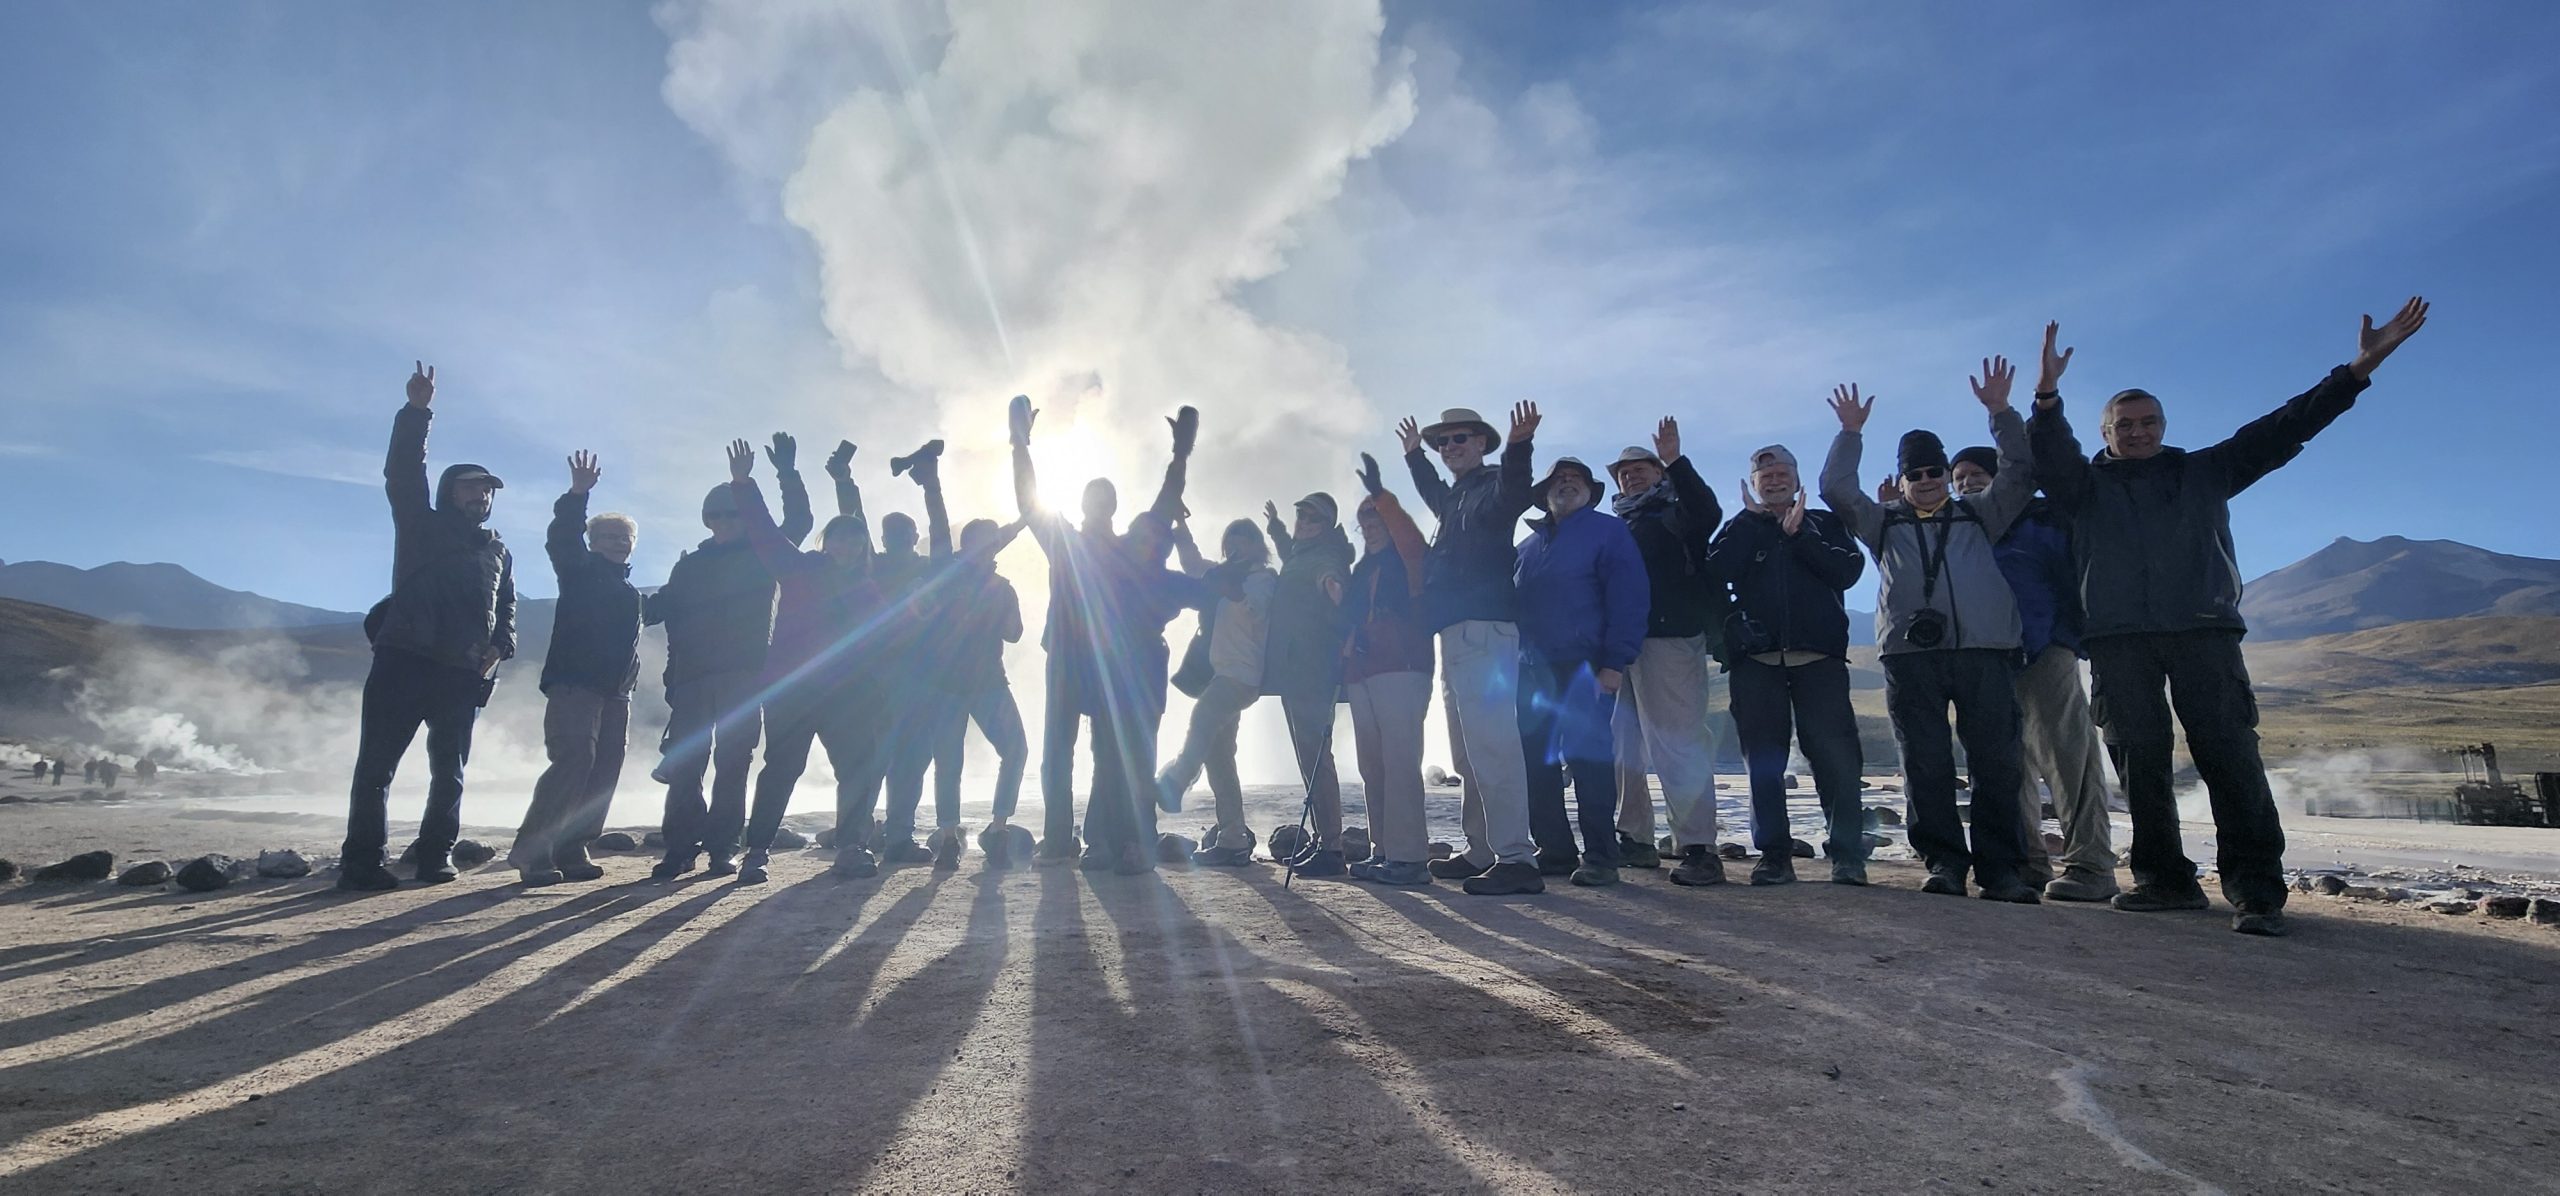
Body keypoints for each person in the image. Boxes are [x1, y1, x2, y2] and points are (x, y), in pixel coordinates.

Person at [2029, 301, 2430, 936]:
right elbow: (2049, 455)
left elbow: (2286, 426)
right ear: (2105, 431)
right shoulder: (2083, 488)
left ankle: (2257, 893)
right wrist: (2047, 395)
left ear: (2164, 425)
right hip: (2118, 640)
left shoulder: (2206, 471)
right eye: (2124, 423)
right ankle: (2163, 882)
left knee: (2230, 757)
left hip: (2204, 633)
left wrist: (2359, 367)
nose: (2138, 431)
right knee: (2141, 762)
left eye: (2148, 421)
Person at [1822, 360, 2041, 903]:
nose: (1926, 482)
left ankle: (2001, 871)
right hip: (1910, 658)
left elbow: (2020, 470)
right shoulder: (1883, 524)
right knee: (1925, 762)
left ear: (1946, 474)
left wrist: (2001, 412)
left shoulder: (1981, 514)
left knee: (1996, 762)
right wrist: (1851, 433)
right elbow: (1836, 488)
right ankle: (1943, 863)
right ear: (1901, 482)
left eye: (1933, 472)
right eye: (1915, 475)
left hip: (1986, 651)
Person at [340, 361, 516, 892]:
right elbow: (402, 473)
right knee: (376, 769)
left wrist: (501, 646)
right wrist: (417, 413)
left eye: (487, 491)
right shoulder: (421, 524)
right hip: (404, 658)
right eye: (470, 488)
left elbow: (506, 606)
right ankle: (361, 864)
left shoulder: (498, 550)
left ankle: (436, 855)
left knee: (450, 774)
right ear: (449, 491)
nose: (480, 497)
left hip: (461, 673)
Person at [1012, 394, 1197, 869]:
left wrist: (1181, 454)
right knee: (1057, 755)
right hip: (1067, 660)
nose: (1099, 506)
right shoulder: (1063, 540)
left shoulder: (1125, 550)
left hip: (1107, 664)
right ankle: (1058, 842)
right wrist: (1019, 445)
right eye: (1093, 499)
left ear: (1113, 506)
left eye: (1106, 500)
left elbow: (1163, 505)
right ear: (1082, 504)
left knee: (1107, 755)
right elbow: (1029, 502)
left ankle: (1101, 840)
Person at [1947, 442, 2119, 902]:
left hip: (2045, 649)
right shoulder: (1962, 528)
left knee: (2068, 757)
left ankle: (2091, 865)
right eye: (1958, 478)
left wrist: (2066, 637)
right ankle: (2028, 863)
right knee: (2008, 766)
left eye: (1975, 473)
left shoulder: (2042, 518)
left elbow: (2074, 576)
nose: (1966, 482)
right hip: (1987, 658)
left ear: (1999, 474)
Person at [645, 434, 812, 880]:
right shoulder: (689, 566)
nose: (722, 521)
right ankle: (680, 850)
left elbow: (799, 519)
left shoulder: (764, 556)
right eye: (714, 514)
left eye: (731, 513)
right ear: (705, 519)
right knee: (686, 768)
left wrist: (780, 474)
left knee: (733, 765)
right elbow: (658, 609)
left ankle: (722, 849)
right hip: (692, 678)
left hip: (744, 676)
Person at [726, 439, 891, 885]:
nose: (849, 545)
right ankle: (757, 852)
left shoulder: (868, 589)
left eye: (857, 539)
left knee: (858, 767)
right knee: (782, 767)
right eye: (840, 537)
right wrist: (744, 484)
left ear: (863, 547)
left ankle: (852, 847)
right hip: (794, 690)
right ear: (828, 541)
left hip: (850, 695)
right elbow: (764, 532)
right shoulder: (798, 568)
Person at [1702, 444, 1865, 887]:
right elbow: (1715, 573)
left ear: (1796, 477)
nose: (1774, 481)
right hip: (1756, 662)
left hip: (1820, 659)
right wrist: (1754, 524)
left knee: (1836, 757)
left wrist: (1800, 536)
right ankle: (1774, 856)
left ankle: (1847, 855)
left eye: (1781, 474)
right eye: (1765, 476)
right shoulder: (1739, 525)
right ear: (1753, 484)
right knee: (1764, 763)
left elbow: (1848, 572)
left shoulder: (1825, 522)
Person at [1402, 403, 1544, 896]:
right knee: (1466, 752)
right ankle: (1482, 848)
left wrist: (1520, 445)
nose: (1450, 448)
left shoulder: (1490, 491)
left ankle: (1517, 859)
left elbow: (1514, 491)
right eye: (1442, 442)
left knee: (1493, 746)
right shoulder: (1457, 497)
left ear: (1482, 443)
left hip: (1485, 629)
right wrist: (1414, 457)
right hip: (1456, 632)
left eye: (1460, 438)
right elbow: (1433, 493)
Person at [1513, 457, 1650, 887]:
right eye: (1558, 479)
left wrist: (1614, 663)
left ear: (1591, 492)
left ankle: (1601, 856)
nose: (1566, 483)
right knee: (1536, 762)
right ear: (1544, 494)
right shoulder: (1527, 548)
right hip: (1533, 668)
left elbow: (1629, 597)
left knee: (1588, 760)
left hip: (1584, 664)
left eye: (1575, 478)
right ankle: (1554, 850)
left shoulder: (1609, 532)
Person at [509, 451, 642, 886]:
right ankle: (534, 850)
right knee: (573, 758)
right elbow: (561, 540)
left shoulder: (629, 591)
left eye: (623, 537)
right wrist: (577, 496)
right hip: (575, 685)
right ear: (592, 541)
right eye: (606, 536)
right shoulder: (579, 570)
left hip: (616, 692)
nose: (616, 542)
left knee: (605, 766)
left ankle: (573, 844)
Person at [1605, 418, 1727, 872]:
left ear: (1659, 473)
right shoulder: (1620, 524)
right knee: (1624, 744)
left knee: (1677, 740)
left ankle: (1697, 846)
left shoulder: (1677, 513)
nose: (1630, 476)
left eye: (1640, 468)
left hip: (1671, 635)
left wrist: (1678, 461)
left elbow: (1707, 513)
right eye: (1623, 472)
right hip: (1623, 646)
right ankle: (1634, 837)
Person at [1338, 453, 1436, 885]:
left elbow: (1409, 538)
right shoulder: (1362, 569)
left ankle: (1411, 858)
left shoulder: (1407, 559)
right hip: (1363, 673)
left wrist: (1381, 494)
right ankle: (1384, 850)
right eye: (1365, 520)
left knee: (1399, 761)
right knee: (1372, 765)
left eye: (1377, 517)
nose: (1371, 524)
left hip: (1402, 666)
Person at [1158, 519, 1278, 865]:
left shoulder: (1264, 580)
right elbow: (1194, 567)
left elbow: (1256, 609)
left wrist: (1233, 591)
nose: (1235, 550)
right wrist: (1181, 534)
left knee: (1204, 716)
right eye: (1230, 545)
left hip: (1241, 675)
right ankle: (1233, 838)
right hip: (1221, 674)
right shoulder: (1224, 574)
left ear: (1258, 546)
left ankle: (1177, 780)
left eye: (1242, 543)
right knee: (1219, 756)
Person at [872, 445, 965, 867]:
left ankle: (895, 836)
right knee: (893, 758)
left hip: (924, 677)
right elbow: (852, 522)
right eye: (889, 533)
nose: (897, 539)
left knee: (912, 759)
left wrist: (932, 485)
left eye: (903, 533)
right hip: (888, 677)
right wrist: (843, 482)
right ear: (883, 539)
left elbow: (941, 529)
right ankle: (883, 836)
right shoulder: (871, 568)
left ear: (913, 537)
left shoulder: (931, 566)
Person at [1256, 490, 1357, 876]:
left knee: (1315, 757)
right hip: (1294, 671)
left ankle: (1331, 846)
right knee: (1309, 755)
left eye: (1313, 518)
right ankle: (1324, 840)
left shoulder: (1325, 556)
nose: (1305, 522)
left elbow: (1328, 576)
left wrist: (1334, 589)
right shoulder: (1300, 552)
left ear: (1327, 525)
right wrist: (1276, 527)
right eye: (1301, 515)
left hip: (1311, 671)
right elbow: (1289, 552)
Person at [934, 516, 1033, 869]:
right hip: (952, 684)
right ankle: (950, 837)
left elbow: (1014, 633)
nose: (987, 547)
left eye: (991, 541)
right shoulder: (948, 576)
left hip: (986, 681)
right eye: (981, 541)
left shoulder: (999, 586)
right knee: (949, 761)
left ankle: (996, 829)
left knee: (1014, 750)